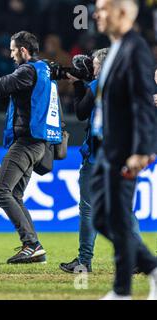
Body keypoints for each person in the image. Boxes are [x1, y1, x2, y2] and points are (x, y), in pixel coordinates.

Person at [0, 31, 62, 264]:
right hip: (38, 142)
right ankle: (33, 246)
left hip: (27, 142)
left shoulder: (27, 70)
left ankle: (31, 244)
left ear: (23, 50)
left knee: (0, 191)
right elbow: (7, 94)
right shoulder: (43, 70)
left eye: (13, 50)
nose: (10, 55)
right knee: (15, 194)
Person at [92, 0, 157, 300]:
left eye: (103, 8)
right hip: (108, 147)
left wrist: (142, 149)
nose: (96, 14)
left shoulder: (136, 49)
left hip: (125, 150)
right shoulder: (117, 47)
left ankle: (121, 291)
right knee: (101, 218)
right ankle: (153, 267)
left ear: (123, 12)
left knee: (118, 218)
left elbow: (142, 102)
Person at [59, 48, 143, 273]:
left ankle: (84, 261)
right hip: (123, 156)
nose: (92, 69)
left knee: (88, 210)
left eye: (95, 65)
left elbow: (80, 112)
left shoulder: (98, 86)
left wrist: (77, 84)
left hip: (98, 158)